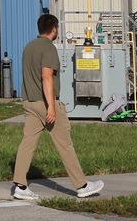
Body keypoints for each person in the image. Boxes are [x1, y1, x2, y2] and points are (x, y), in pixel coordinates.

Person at [11, 13, 104, 201]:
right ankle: (82, 185)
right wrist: (51, 107)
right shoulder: (49, 48)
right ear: (54, 28)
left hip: (29, 101)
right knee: (65, 144)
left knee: (27, 143)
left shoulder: (28, 48)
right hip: (45, 103)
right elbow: (46, 77)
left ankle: (20, 186)